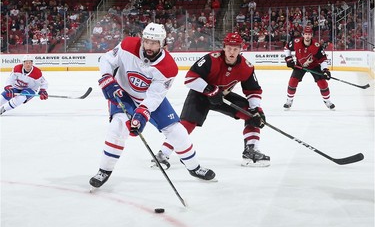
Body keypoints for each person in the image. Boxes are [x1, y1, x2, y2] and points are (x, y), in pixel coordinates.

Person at [89, 22, 216, 189]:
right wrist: (107, 78)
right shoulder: (127, 45)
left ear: (163, 44)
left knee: (177, 131)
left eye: (154, 43)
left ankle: (194, 167)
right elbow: (107, 59)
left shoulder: (168, 67)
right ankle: (104, 170)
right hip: (123, 94)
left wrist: (142, 113)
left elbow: (155, 96)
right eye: (147, 41)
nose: (149, 46)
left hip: (148, 98)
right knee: (117, 127)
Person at [152, 33, 269, 170]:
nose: (232, 52)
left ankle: (251, 151)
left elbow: (253, 90)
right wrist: (209, 90)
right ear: (224, 47)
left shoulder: (246, 67)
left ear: (240, 49)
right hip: (200, 94)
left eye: (235, 49)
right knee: (187, 124)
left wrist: (256, 109)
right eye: (229, 48)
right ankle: (162, 154)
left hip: (222, 97)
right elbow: (190, 78)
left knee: (252, 115)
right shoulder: (210, 59)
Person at [283, 25, 334, 110]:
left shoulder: (317, 46)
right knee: (292, 82)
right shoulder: (296, 42)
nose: (307, 36)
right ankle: (289, 100)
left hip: (314, 65)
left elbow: (323, 59)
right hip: (300, 65)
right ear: (303, 34)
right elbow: (286, 48)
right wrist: (288, 59)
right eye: (306, 34)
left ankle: (327, 101)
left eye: (309, 34)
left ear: (312, 35)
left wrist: (325, 70)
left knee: (323, 83)